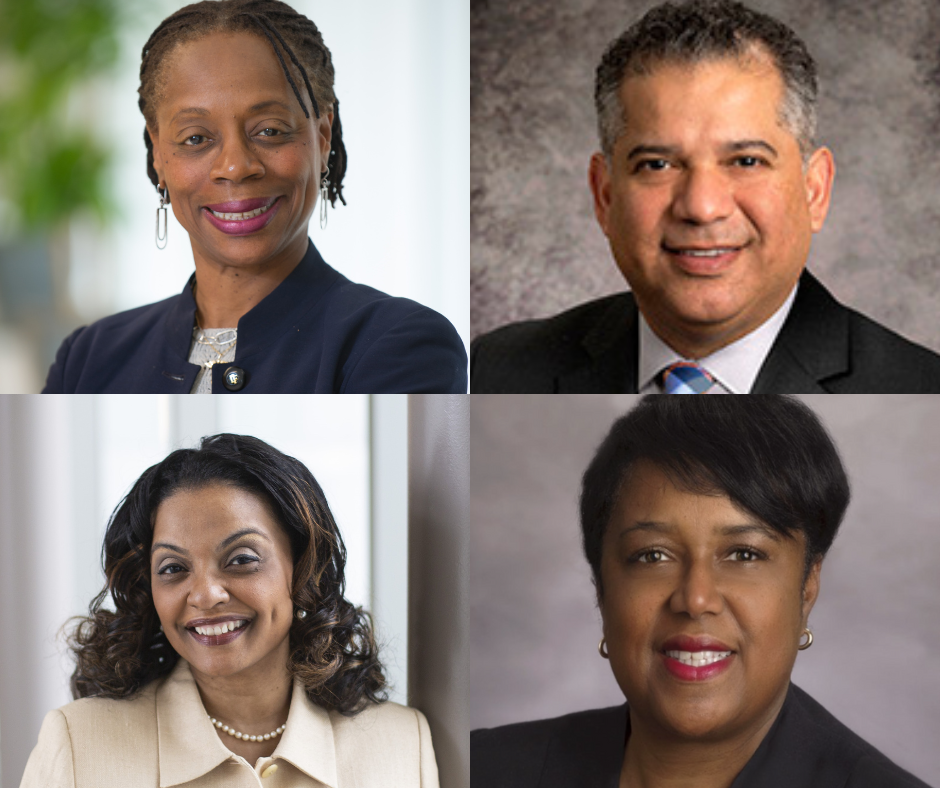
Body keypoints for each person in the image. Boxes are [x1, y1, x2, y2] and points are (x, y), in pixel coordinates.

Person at [470, 0, 940, 393]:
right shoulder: (490, 375)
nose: (701, 206)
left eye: (746, 161)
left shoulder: (919, 391)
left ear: (815, 189)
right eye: (657, 164)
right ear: (605, 195)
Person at [471, 396, 931, 787]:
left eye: (744, 555)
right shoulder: (478, 769)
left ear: (807, 586)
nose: (695, 600)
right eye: (652, 556)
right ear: (601, 587)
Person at [42, 0, 467, 394]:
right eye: (195, 138)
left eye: (270, 130)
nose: (235, 166)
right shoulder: (88, 358)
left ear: (322, 137)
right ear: (158, 155)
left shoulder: (397, 342)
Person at [20, 434, 439, 787]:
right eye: (173, 568)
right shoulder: (78, 745)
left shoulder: (403, 745)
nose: (205, 595)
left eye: (241, 559)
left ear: (303, 566)